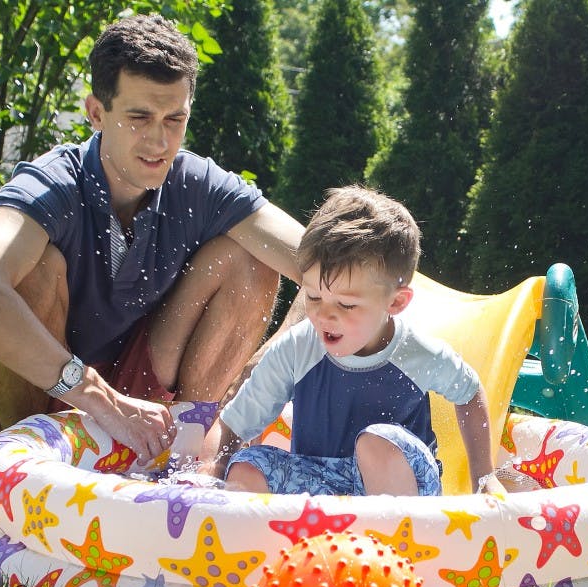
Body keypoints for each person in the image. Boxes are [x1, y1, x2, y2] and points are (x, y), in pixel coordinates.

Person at [0, 14, 305, 467]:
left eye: (175, 119)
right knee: (31, 271)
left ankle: (187, 457)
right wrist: (101, 400)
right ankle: (31, 469)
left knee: (253, 259)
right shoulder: (53, 185)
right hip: (18, 406)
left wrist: (271, 368)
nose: (159, 140)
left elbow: (323, 264)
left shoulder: (197, 183)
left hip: (138, 400)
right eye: (139, 117)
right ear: (97, 113)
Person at [201, 185, 505, 496]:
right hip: (322, 482)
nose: (324, 315)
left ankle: (396, 540)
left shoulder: (415, 352)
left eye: (346, 304)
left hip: (406, 489)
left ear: (396, 303)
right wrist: (208, 474)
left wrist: (484, 477)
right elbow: (233, 424)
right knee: (248, 466)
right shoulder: (298, 348)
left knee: (377, 441)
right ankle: (267, 540)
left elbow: (469, 393)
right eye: (314, 296)